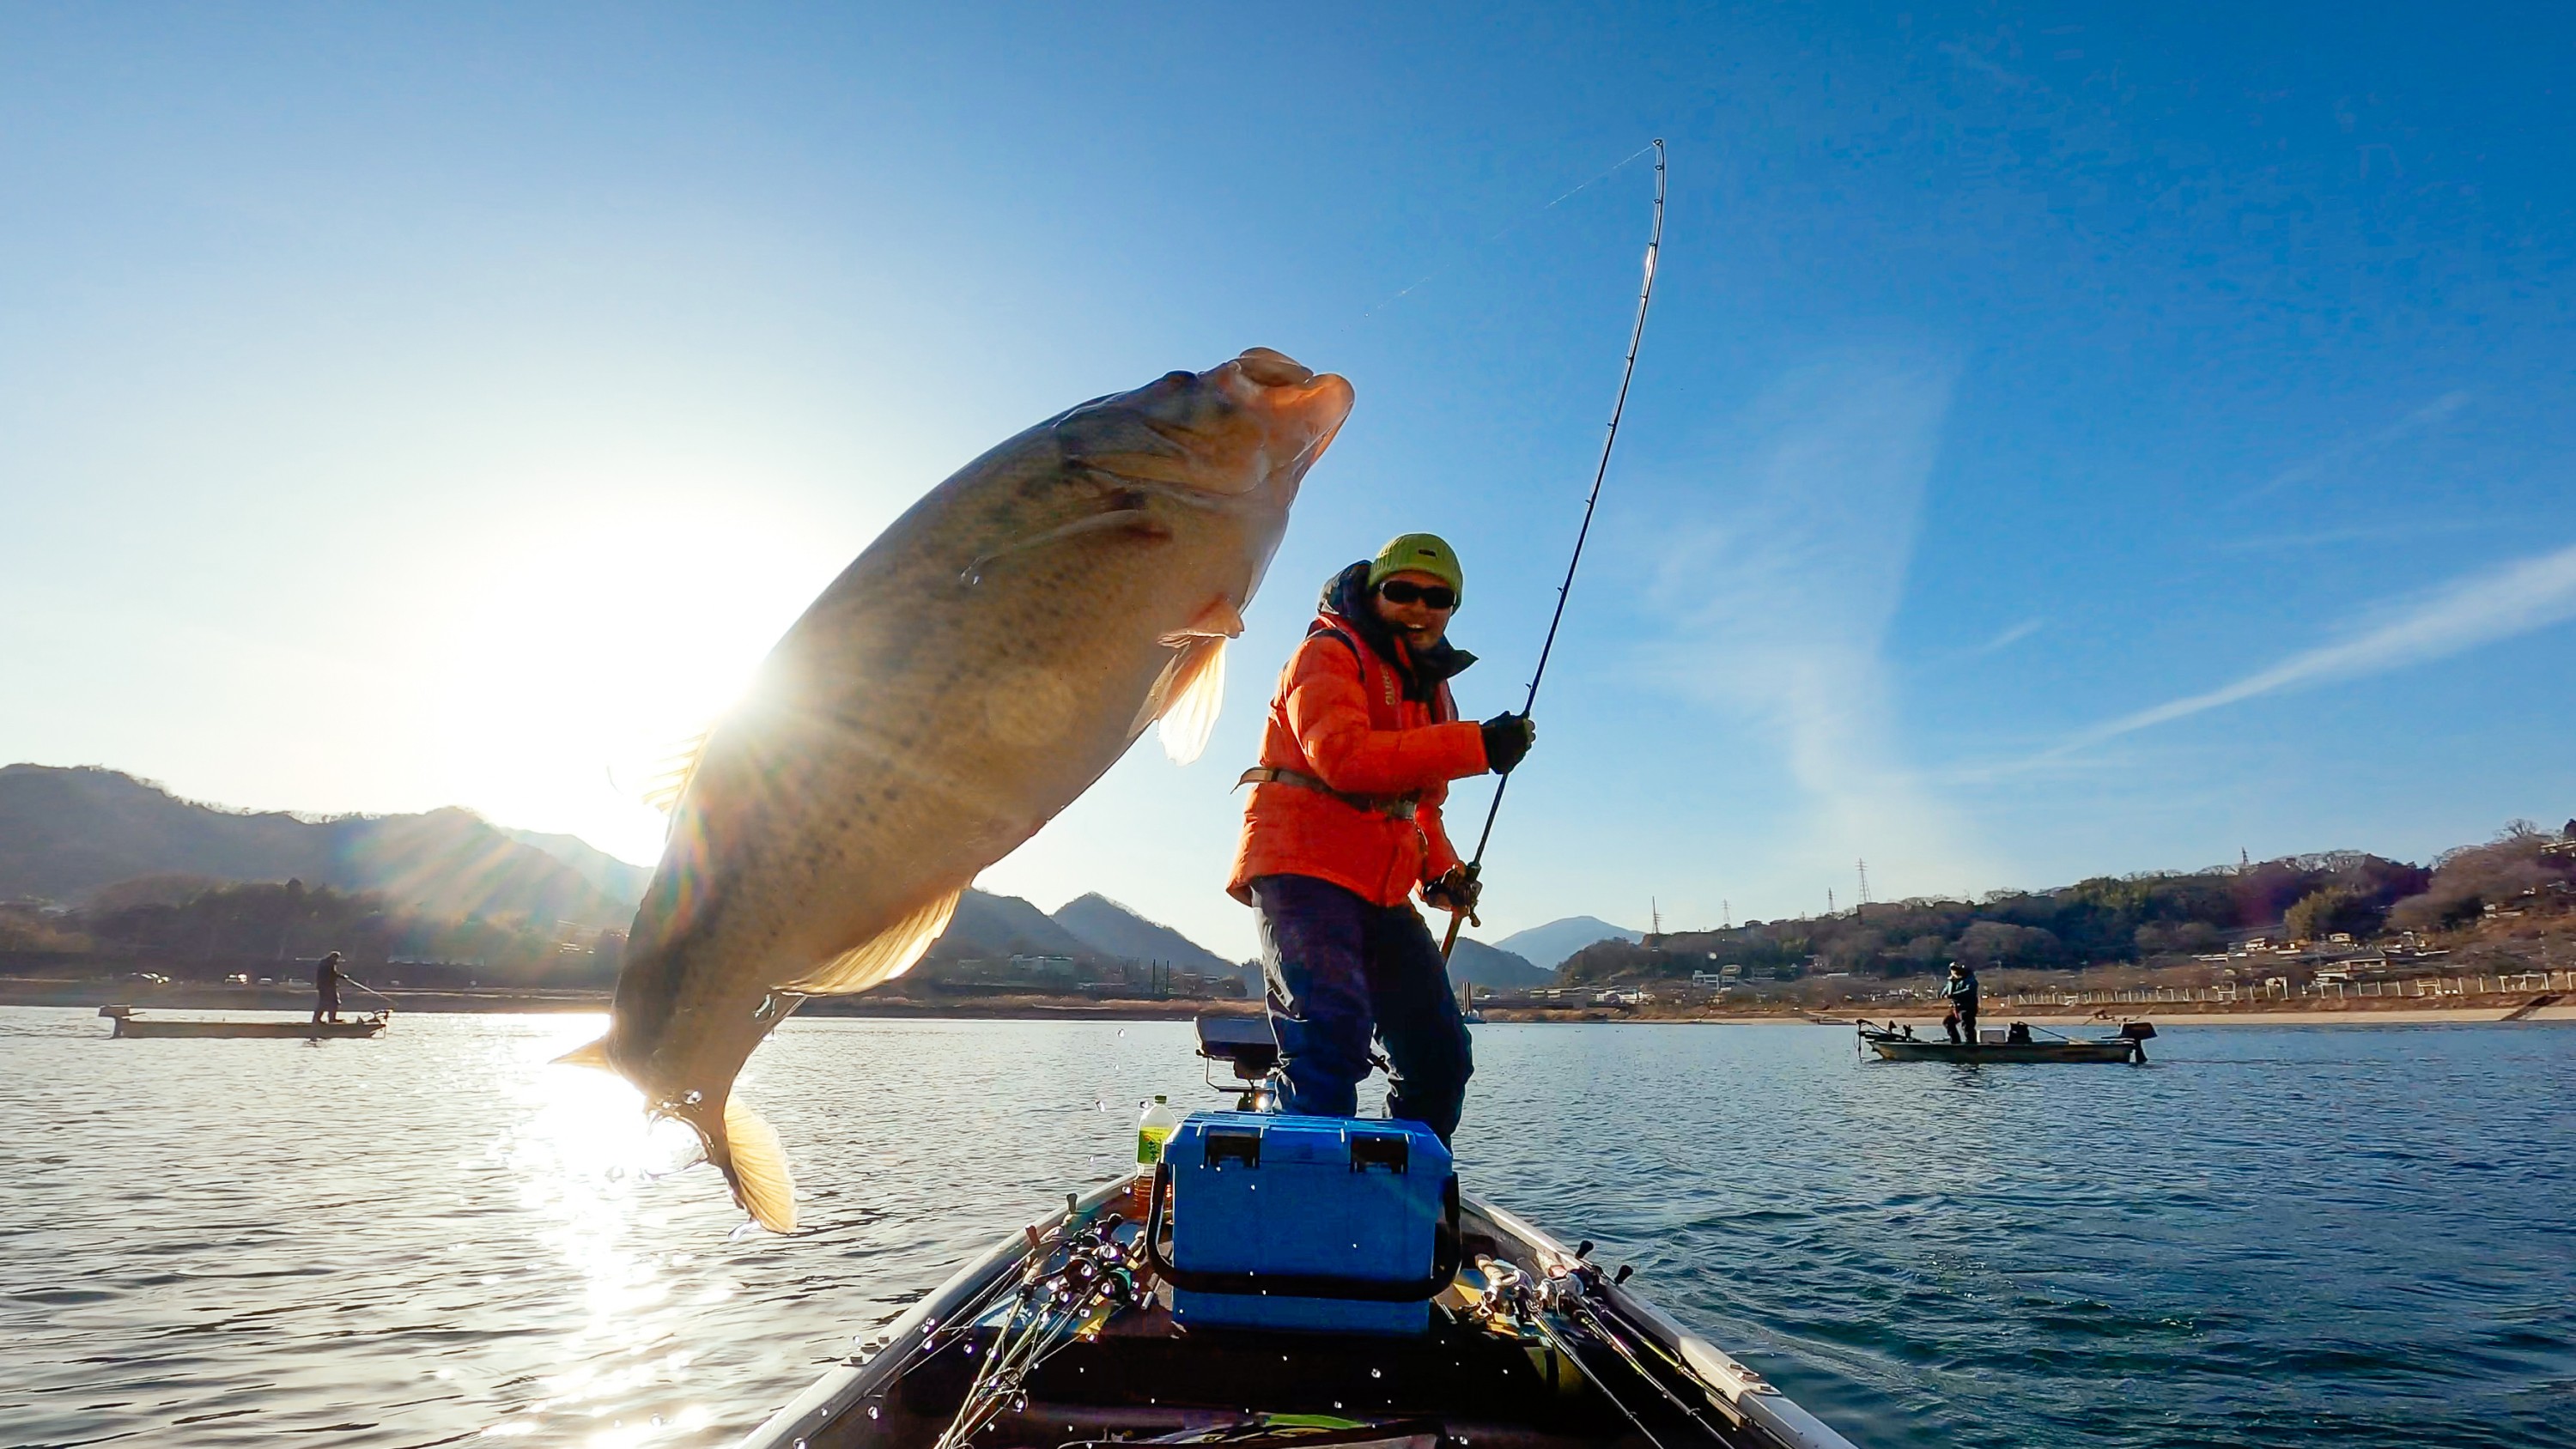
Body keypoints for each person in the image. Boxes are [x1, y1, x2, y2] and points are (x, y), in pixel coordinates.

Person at [1228, 534, 1534, 1144]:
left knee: (1440, 1056)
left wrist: (1439, 876)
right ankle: (1306, 1213)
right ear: (1375, 592)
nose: (1420, 608)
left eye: (1438, 597)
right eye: (1403, 592)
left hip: (1380, 889)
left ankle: (1400, 1199)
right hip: (1301, 867)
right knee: (1329, 1037)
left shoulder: (1433, 689)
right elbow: (1342, 757)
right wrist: (1478, 745)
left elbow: (1423, 805)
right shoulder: (1326, 653)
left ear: (1453, 608)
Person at [1940, 961, 1979, 1046]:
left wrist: (1953, 995)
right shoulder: (1952, 980)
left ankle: (1971, 1044)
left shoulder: (1970, 980)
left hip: (1968, 1007)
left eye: (1956, 969)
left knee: (1967, 1025)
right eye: (1952, 969)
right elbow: (1946, 989)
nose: (1954, 971)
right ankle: (1955, 1042)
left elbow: (1969, 991)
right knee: (1948, 1022)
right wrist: (1943, 994)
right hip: (1956, 1008)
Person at [313, 951, 343, 1025]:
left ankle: (329, 1019)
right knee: (327, 1003)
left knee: (330, 1003)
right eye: (336, 958)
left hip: (327, 986)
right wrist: (339, 976)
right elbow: (329, 975)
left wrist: (339, 976)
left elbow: (332, 974)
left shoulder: (326, 963)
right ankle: (321, 1020)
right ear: (333, 957)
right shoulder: (327, 964)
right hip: (326, 987)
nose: (337, 960)